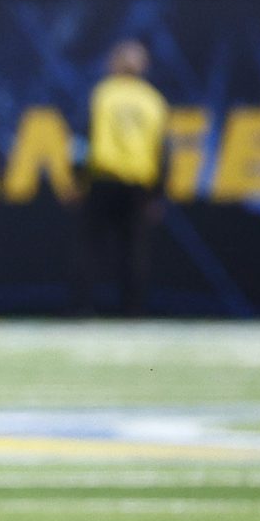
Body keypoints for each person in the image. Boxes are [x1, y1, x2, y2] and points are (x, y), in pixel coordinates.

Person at [77, 42, 167, 318]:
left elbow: (85, 138)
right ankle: (133, 312)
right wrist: (158, 194)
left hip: (103, 178)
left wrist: (78, 179)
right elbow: (161, 150)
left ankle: (82, 309)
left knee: (91, 250)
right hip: (138, 184)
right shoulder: (152, 99)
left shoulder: (103, 94)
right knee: (134, 253)